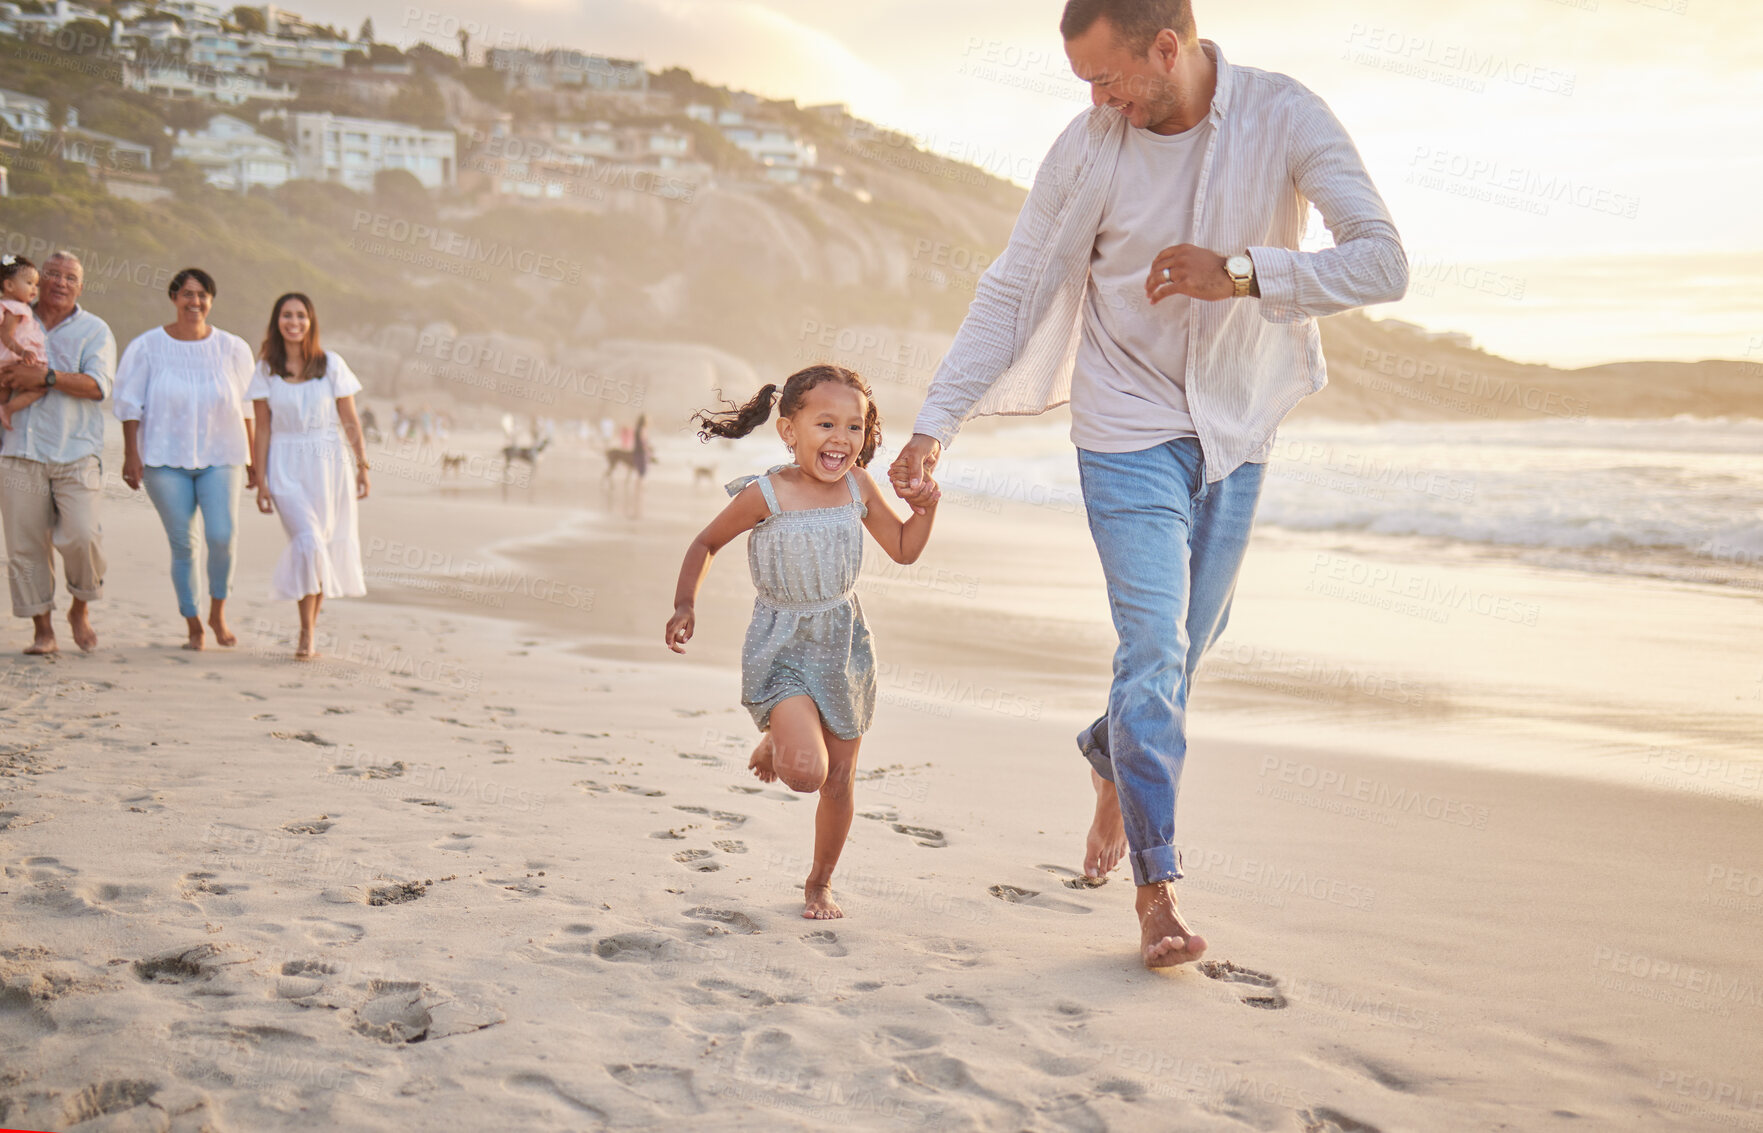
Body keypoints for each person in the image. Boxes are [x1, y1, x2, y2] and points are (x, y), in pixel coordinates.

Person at [890, 0, 1408, 968]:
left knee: (1182, 648)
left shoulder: (1282, 117)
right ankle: (1156, 891)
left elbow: (1383, 263)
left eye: (1107, 78)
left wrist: (1244, 275)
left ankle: (1109, 749)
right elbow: (1012, 286)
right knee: (1152, 648)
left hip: (1236, 429)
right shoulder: (1088, 148)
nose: (1095, 100)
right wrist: (934, 422)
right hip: (1124, 430)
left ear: (1165, 49)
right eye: (1082, 82)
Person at [667, 365, 941, 920]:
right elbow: (706, 542)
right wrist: (685, 605)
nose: (841, 439)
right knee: (807, 774)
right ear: (789, 431)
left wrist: (926, 509)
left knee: (838, 780)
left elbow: (905, 549)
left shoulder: (858, 486)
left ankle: (819, 882)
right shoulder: (766, 493)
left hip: (843, 645)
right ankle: (780, 734)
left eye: (854, 427)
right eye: (825, 424)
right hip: (782, 645)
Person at [114, 267, 258, 651]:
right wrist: (132, 455)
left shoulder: (233, 348)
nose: (195, 302)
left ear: (211, 300)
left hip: (223, 455)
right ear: (174, 298)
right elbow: (129, 404)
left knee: (222, 536)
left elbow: (248, 407)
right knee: (183, 545)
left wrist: (254, 458)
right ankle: (193, 621)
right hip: (162, 459)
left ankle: (218, 612)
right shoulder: (147, 346)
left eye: (202, 295)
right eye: (187, 294)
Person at [0, 252, 116, 655]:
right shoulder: (8, 318)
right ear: (34, 281)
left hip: (75, 451)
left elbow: (99, 386)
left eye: (70, 277)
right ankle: (42, 630)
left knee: (84, 536)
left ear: (80, 287)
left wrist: (45, 377)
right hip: (18, 449)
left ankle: (79, 609)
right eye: (51, 274)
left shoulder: (95, 330)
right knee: (24, 547)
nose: (60, 282)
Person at [248, 293, 371, 661]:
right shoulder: (266, 370)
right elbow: (263, 429)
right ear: (277, 321)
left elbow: (350, 420)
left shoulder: (331, 365)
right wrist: (261, 480)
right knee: (309, 541)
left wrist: (363, 465)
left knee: (323, 546)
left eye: (301, 316)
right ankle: (307, 632)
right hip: (284, 464)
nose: (294, 322)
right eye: (287, 315)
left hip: (329, 464)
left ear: (311, 322)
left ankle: (309, 632)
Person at [0, 255, 48, 431]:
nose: (34, 289)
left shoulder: (7, 305)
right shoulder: (15, 308)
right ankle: (8, 409)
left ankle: (4, 408)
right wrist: (23, 352)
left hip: (6, 360)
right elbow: (6, 335)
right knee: (41, 386)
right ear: (9, 285)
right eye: (29, 283)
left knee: (4, 391)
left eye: (36, 284)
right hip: (10, 359)